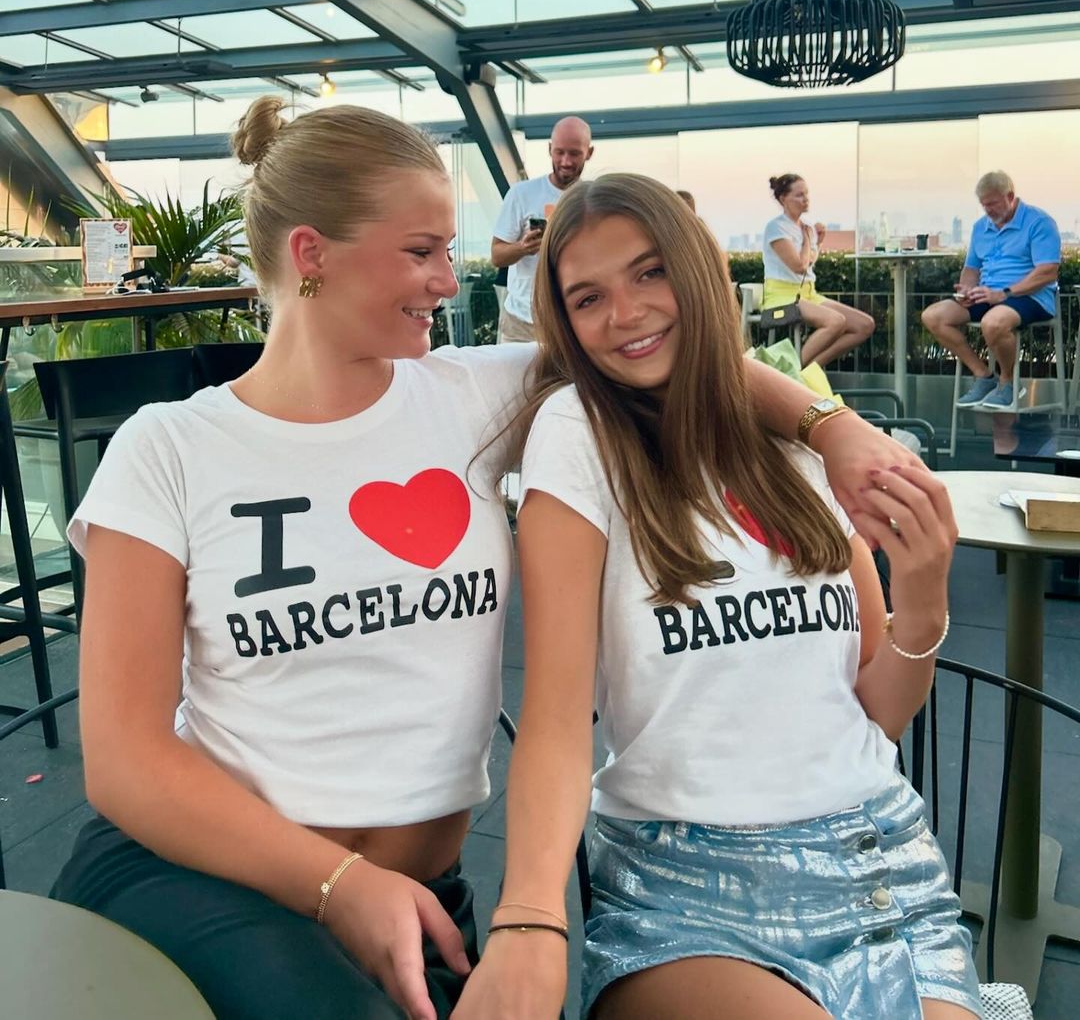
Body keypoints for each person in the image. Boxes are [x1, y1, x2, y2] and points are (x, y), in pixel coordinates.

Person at [49, 100, 933, 1020]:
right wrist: (341, 884)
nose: (450, 276)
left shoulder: (472, 393)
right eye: (421, 250)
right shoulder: (169, 447)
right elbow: (125, 760)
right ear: (312, 254)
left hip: (419, 902)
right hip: (210, 879)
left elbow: (668, 347)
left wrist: (833, 428)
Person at [452, 174, 981, 1020]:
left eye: (650, 271)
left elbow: (876, 710)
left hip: (882, 860)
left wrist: (921, 598)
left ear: (695, 269)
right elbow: (555, 718)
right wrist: (529, 915)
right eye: (588, 297)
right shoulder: (580, 434)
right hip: (687, 882)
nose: (625, 312)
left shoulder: (799, 448)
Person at [922, 171, 1060, 410]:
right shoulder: (980, 227)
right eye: (984, 205)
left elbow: (1047, 272)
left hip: (1030, 296)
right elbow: (971, 269)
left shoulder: (1039, 222)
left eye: (993, 203)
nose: (988, 210)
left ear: (1010, 196)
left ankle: (1008, 382)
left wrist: (1005, 293)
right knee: (933, 316)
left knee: (993, 323)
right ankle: (984, 376)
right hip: (988, 294)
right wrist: (967, 289)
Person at [491, 116, 594, 343]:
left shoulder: (595, 199)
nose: (566, 161)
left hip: (572, 322)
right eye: (559, 152)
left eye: (574, 153)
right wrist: (523, 248)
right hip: (521, 322)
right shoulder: (521, 194)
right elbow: (497, 256)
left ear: (589, 153)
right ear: (549, 149)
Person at [763, 172, 874, 368]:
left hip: (808, 294)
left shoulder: (807, 227)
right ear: (783, 199)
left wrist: (818, 242)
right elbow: (799, 266)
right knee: (835, 322)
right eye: (799, 195)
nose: (805, 199)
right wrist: (808, 240)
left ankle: (809, 369)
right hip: (782, 297)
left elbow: (810, 260)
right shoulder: (776, 228)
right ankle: (791, 371)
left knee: (864, 325)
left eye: (806, 194)